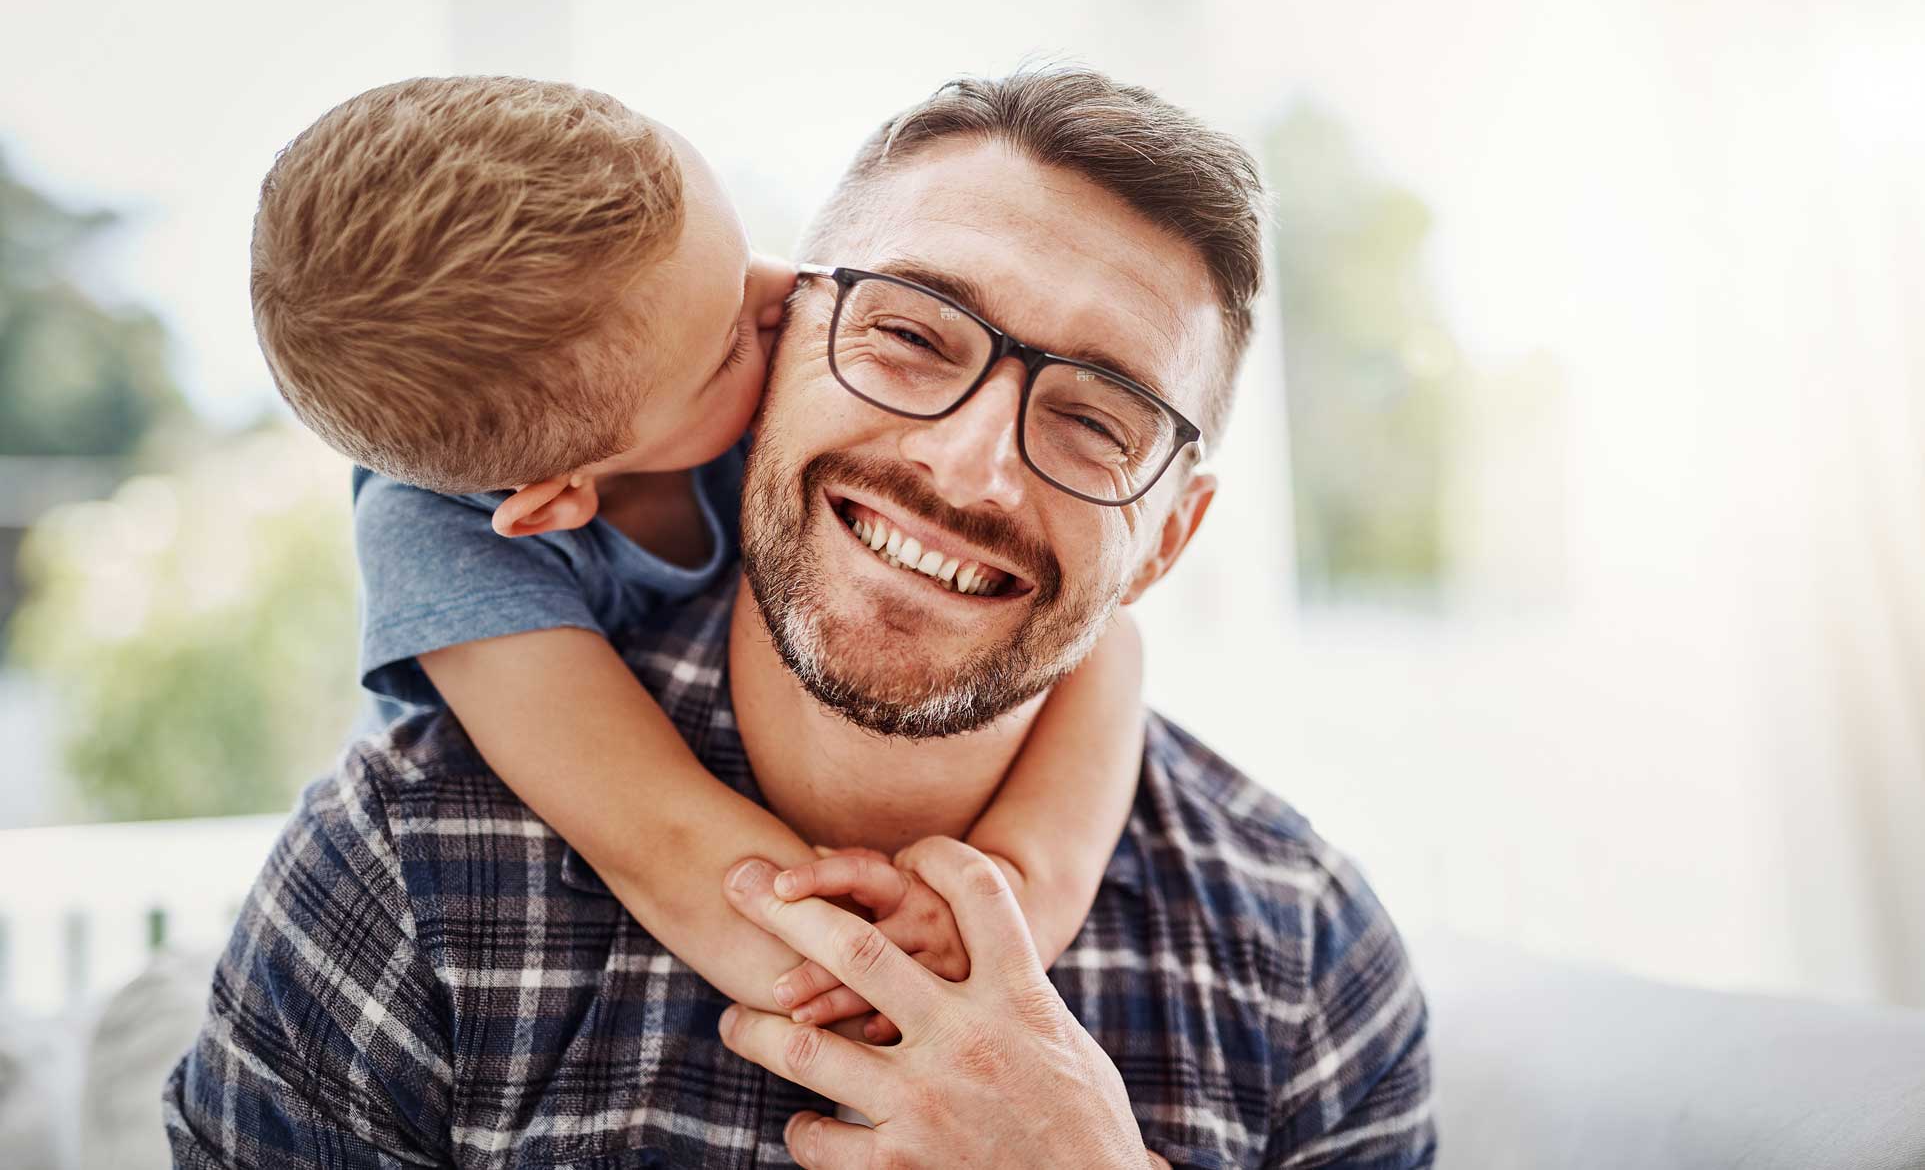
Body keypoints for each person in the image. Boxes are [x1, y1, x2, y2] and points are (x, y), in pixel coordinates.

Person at [166, 67, 1434, 1167]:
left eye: (1095, 415)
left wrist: (1025, 938)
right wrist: (858, 974)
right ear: (803, 351)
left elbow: (1112, 651)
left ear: (1168, 536)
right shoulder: (403, 862)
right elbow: (655, 834)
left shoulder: (1308, 960)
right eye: (910, 334)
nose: (968, 466)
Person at [245, 75, 1149, 1038]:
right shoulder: (436, 544)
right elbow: (666, 844)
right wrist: (897, 967)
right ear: (558, 499)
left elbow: (1111, 639)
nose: (789, 291)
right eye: (731, 338)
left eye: (743, 249)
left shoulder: (737, 378)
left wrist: (1017, 889)